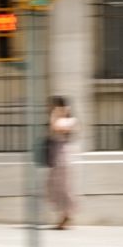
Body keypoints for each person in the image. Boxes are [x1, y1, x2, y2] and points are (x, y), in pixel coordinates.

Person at [46, 95, 78, 229]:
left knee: (63, 187)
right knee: (55, 186)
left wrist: (56, 114)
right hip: (57, 155)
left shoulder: (70, 120)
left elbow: (56, 127)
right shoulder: (62, 119)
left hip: (63, 156)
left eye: (54, 106)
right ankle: (64, 215)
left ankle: (66, 215)